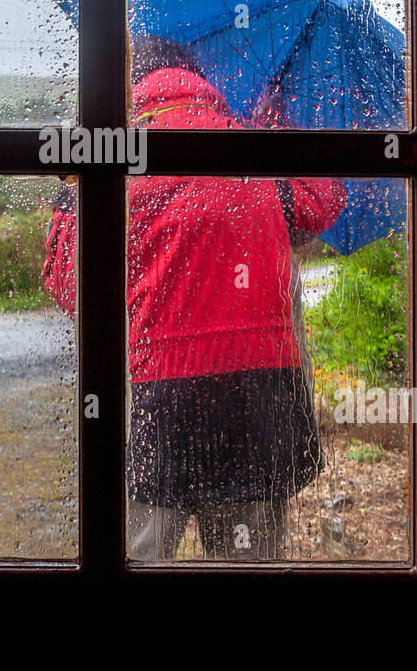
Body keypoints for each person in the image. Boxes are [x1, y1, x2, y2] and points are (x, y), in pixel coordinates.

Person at [42, 41, 347, 559]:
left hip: (159, 395)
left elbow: (71, 283)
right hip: (263, 392)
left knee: (137, 556)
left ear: (131, 87)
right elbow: (322, 198)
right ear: (201, 80)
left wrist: (72, 191)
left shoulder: (117, 159)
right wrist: (275, 123)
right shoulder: (251, 147)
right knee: (246, 562)